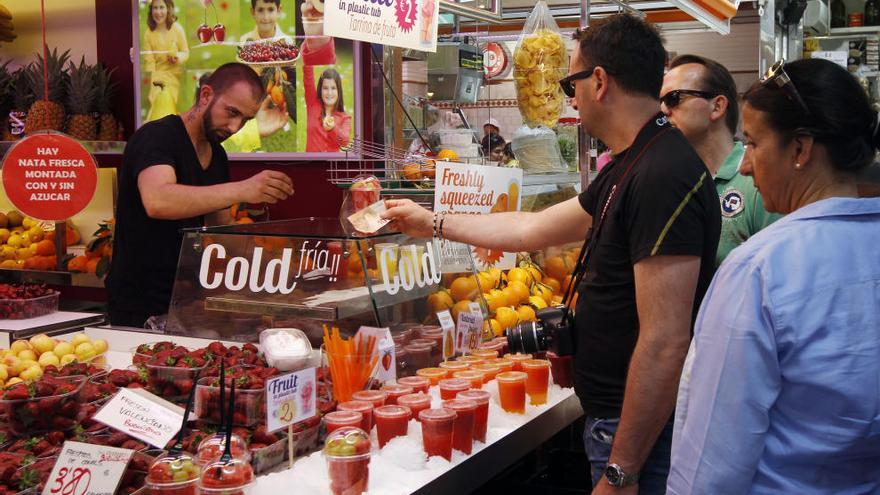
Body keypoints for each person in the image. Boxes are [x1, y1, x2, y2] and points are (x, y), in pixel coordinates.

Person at [382, 14, 720, 494]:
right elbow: (531, 228)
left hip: (638, 433)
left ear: (599, 81)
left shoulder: (662, 174)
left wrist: (621, 471)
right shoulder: (634, 161)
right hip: (615, 420)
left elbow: (666, 340)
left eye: (571, 82)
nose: (570, 96)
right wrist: (432, 221)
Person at [668, 58, 880, 494]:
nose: (745, 166)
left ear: (800, 150)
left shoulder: (759, 270)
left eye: (753, 144)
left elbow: (713, 457)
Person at [107, 63, 295, 328]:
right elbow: (157, 201)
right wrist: (242, 189)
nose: (234, 127)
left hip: (185, 300)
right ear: (206, 95)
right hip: (139, 306)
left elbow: (220, 231)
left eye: (245, 120)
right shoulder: (156, 137)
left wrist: (279, 265)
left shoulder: (216, 154)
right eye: (231, 112)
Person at [661, 54, 781, 266]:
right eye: (660, 100)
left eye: (674, 98)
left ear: (717, 107)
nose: (664, 110)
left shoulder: (757, 182)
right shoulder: (671, 181)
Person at [302, 37, 352, 152]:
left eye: (333, 88)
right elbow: (308, 75)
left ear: (339, 91)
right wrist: (310, 44)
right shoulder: (313, 104)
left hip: (331, 168)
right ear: (320, 89)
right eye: (325, 88)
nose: (329, 93)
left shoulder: (345, 118)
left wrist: (332, 128)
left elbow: (344, 141)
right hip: (310, 164)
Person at [142, 0, 189, 122]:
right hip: (157, 77)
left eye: (161, 7)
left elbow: (185, 52)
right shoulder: (148, 33)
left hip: (175, 76)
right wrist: (150, 80)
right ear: (151, 10)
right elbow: (149, 60)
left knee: (171, 106)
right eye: (155, 8)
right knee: (158, 106)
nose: (158, 12)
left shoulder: (177, 29)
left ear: (168, 9)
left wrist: (177, 58)